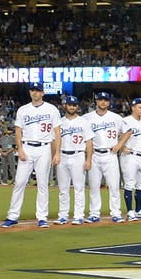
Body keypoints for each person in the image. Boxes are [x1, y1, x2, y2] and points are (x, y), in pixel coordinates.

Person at [1, 83, 61, 228]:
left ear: (43, 93)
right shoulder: (23, 109)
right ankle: (12, 216)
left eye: (37, 90)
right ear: (30, 92)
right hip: (27, 147)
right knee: (19, 182)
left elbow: (57, 132)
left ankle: (42, 217)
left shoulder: (51, 109)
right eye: (33, 90)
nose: (35, 93)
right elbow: (18, 131)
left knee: (42, 184)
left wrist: (57, 153)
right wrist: (20, 149)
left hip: (44, 148)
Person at [84, 91, 123, 223]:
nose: (103, 102)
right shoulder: (86, 118)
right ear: (96, 101)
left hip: (110, 154)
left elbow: (129, 131)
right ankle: (94, 213)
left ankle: (116, 213)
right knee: (94, 186)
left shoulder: (116, 117)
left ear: (109, 102)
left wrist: (120, 144)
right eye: (100, 100)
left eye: (105, 100)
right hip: (94, 154)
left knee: (114, 186)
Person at [114, 97, 141, 220]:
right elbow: (115, 135)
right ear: (133, 108)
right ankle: (130, 212)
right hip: (130, 156)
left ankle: (139, 210)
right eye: (140, 107)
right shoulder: (125, 121)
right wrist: (121, 147)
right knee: (130, 184)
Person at [54, 94, 89, 225]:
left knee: (79, 188)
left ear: (77, 106)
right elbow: (54, 140)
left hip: (78, 155)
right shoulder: (59, 122)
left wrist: (88, 159)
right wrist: (55, 154)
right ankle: (63, 215)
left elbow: (89, 141)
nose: (72, 107)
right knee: (63, 188)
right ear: (65, 106)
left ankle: (78, 215)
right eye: (70, 104)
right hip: (62, 155)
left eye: (74, 105)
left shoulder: (83, 122)